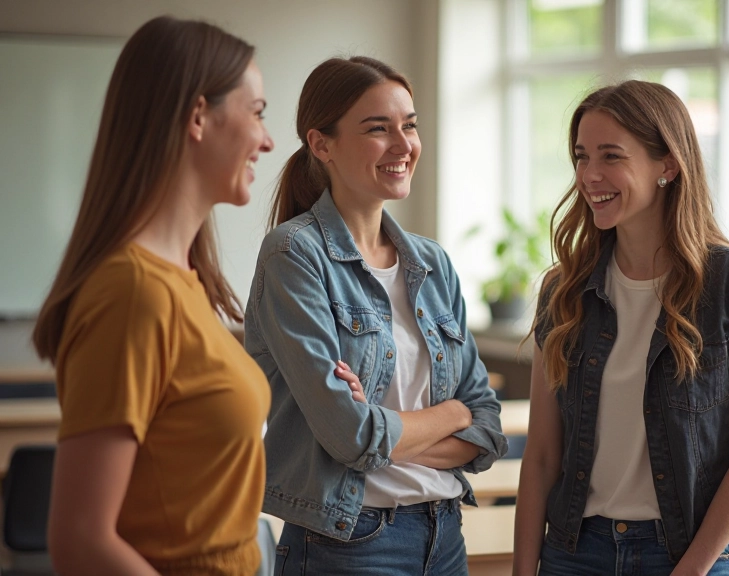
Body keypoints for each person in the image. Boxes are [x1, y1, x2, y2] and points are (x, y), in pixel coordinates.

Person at [31, 16, 277, 575]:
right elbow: (80, 539)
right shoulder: (132, 294)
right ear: (197, 116)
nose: (266, 139)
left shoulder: (183, 280)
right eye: (257, 112)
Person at [245, 56, 506, 576]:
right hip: (349, 543)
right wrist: (449, 415)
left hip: (445, 534)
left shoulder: (432, 264)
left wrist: (388, 433)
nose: (403, 144)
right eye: (377, 129)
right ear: (322, 145)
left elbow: (488, 427)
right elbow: (349, 436)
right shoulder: (294, 255)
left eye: (408, 125)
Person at [513, 80, 729, 576]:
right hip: (575, 553)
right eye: (581, 157)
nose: (590, 175)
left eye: (611, 156)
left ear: (668, 164)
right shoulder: (564, 289)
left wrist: (692, 570)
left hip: (690, 553)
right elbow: (543, 457)